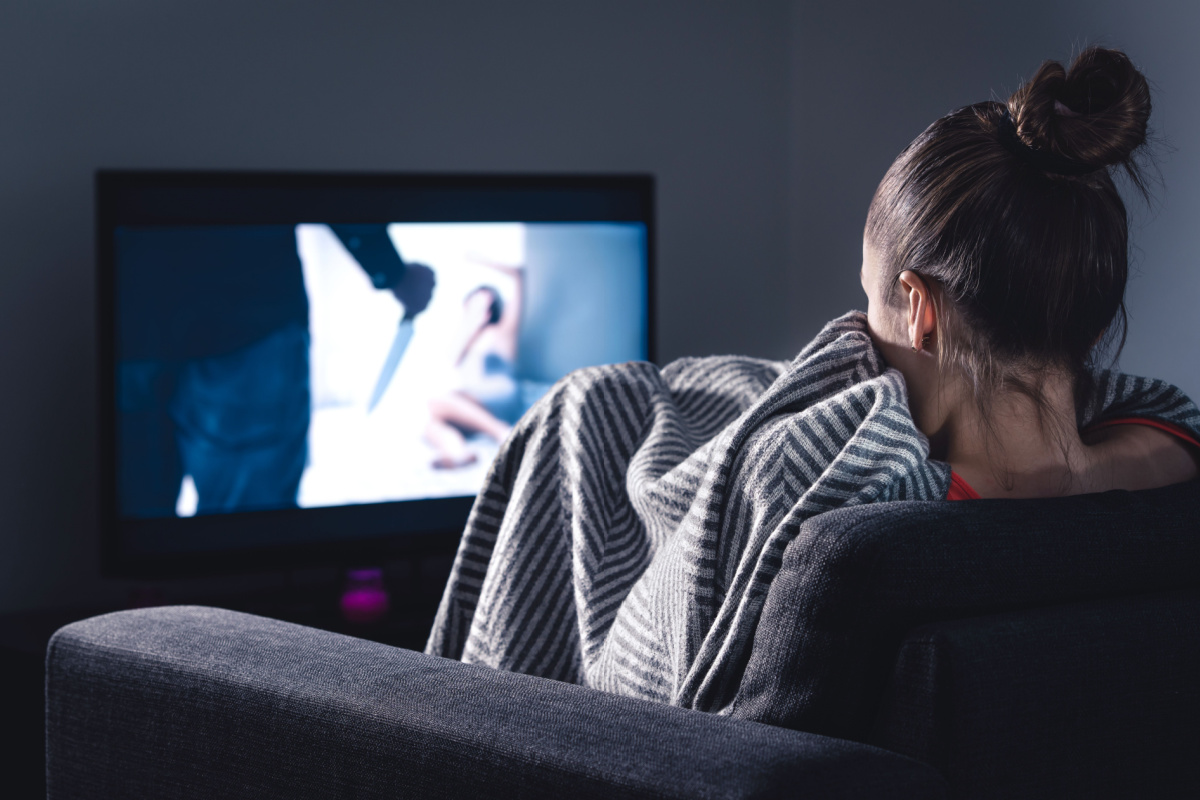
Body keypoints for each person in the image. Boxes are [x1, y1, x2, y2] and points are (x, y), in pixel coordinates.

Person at [860, 44, 1198, 499]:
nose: (859, 329)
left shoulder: (871, 526)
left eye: (868, 298)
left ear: (920, 311)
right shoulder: (1174, 457)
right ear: (1094, 329)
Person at [117, 224, 435, 517]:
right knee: (247, 531)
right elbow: (328, 173)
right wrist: (392, 272)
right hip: (245, 315)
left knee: (136, 525)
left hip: (127, 316)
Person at [424, 262, 524, 469]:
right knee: (431, 423)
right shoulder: (467, 338)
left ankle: (502, 432)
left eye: (483, 302)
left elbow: (519, 277)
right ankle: (457, 453)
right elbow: (450, 358)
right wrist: (471, 322)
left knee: (436, 402)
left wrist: (479, 259)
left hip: (500, 394)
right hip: (477, 401)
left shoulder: (502, 331)